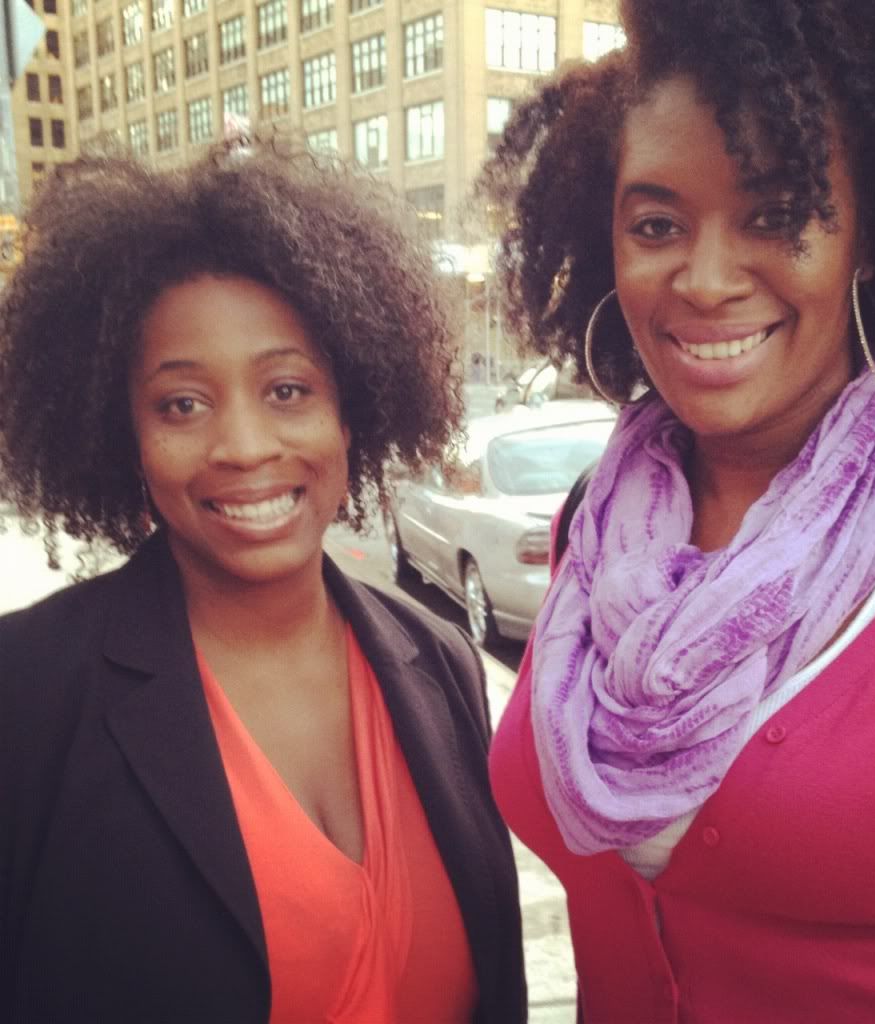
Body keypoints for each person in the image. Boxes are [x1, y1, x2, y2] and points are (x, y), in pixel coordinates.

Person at [478, 1, 875, 1020]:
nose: (705, 279)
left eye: (776, 216)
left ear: (868, 238)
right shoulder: (596, 530)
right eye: (656, 225)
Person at [0, 141, 526, 1024]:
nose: (244, 446)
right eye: (182, 404)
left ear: (350, 412)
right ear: (125, 436)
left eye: (287, 390)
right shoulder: (26, 693)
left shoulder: (441, 662)